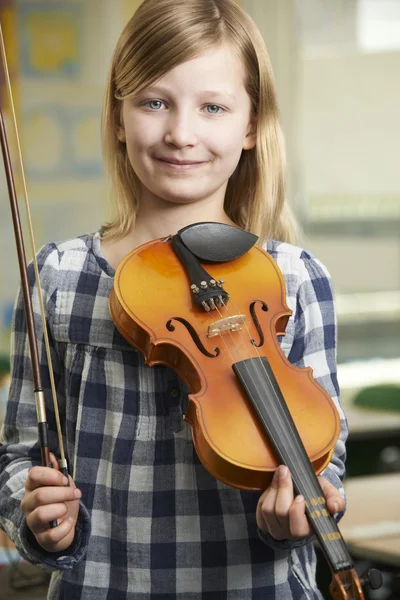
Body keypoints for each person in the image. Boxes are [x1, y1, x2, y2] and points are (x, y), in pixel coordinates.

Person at [0, 0, 348, 598]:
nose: (180, 133)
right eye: (154, 102)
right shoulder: (60, 276)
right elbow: (18, 453)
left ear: (250, 126)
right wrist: (34, 518)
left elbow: (325, 452)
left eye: (212, 107)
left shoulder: (293, 278)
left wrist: (304, 511)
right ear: (117, 115)